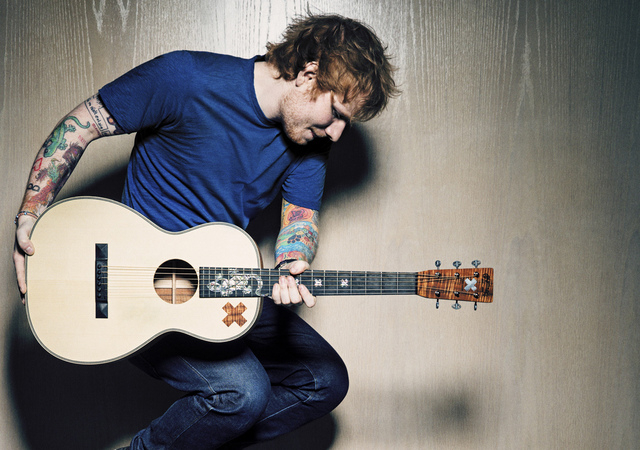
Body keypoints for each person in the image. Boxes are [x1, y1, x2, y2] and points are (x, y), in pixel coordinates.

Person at [13, 13, 398, 449]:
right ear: (308, 75)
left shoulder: (311, 141)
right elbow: (80, 126)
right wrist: (30, 214)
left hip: (219, 287)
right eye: (337, 114)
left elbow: (300, 220)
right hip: (135, 291)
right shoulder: (186, 78)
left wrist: (292, 262)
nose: (337, 132)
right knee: (243, 393)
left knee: (325, 379)